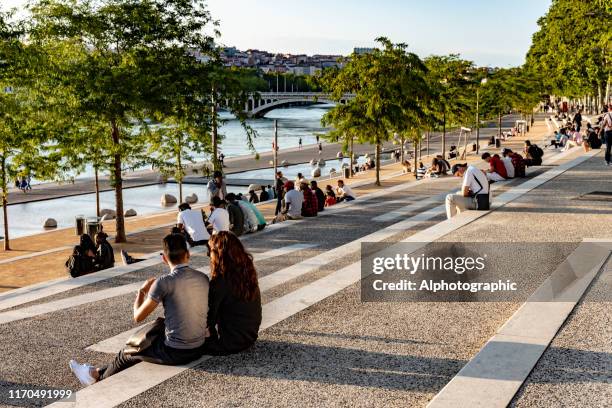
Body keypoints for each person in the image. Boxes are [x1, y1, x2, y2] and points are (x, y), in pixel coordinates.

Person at [69, 234, 209, 385]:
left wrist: (142, 292)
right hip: (199, 346)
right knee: (153, 332)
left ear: (164, 258)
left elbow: (138, 316)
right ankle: (95, 371)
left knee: (128, 352)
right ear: (188, 254)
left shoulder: (164, 282)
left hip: (177, 352)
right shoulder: (202, 277)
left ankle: (95, 377)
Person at [202, 232, 262, 355]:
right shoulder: (247, 273)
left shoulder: (220, 282)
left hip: (227, 343)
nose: (208, 255)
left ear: (219, 254)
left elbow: (209, 318)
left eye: (210, 251)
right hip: (249, 337)